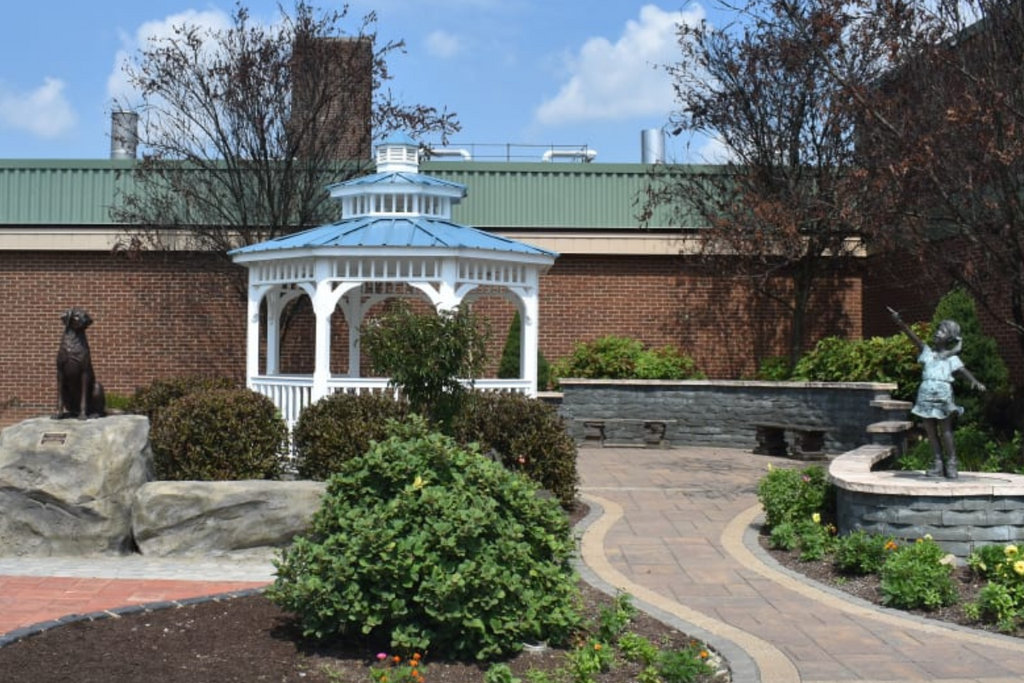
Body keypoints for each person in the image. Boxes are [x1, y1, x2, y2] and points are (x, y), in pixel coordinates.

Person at [889, 307, 985, 479]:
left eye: (942, 331)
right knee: (931, 432)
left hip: (943, 396)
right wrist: (900, 323)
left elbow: (964, 371)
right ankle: (938, 463)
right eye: (937, 330)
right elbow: (914, 338)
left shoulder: (951, 358)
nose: (937, 333)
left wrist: (975, 382)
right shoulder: (927, 352)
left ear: (949, 338)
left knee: (946, 430)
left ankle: (952, 462)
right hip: (925, 396)